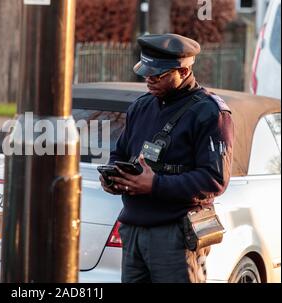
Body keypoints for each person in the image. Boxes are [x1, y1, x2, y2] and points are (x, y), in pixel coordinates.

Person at [99, 33, 234, 283]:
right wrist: (113, 178)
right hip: (134, 230)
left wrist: (155, 185)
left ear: (183, 72)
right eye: (145, 72)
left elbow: (214, 179)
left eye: (157, 74)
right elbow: (121, 153)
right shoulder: (141, 106)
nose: (148, 79)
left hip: (175, 234)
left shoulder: (209, 112)